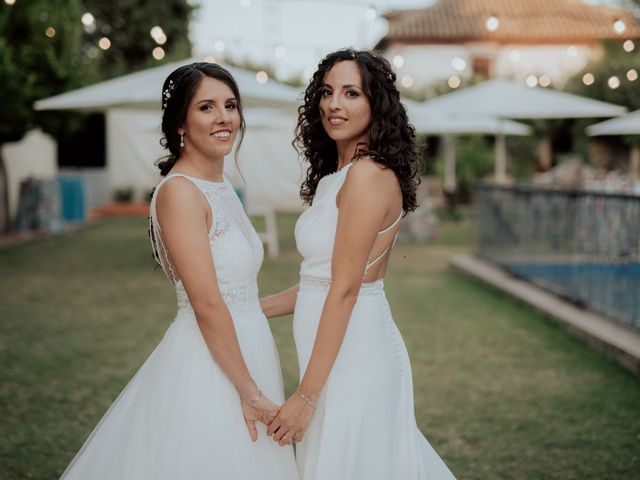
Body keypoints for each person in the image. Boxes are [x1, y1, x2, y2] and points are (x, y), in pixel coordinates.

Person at [59, 62, 298, 480]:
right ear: (181, 124)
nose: (224, 117)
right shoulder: (180, 193)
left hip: (246, 347)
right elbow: (206, 303)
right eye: (207, 107)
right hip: (210, 363)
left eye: (230, 105)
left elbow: (235, 293)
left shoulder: (222, 187)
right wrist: (249, 392)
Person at [260, 50, 457, 479]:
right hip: (329, 351)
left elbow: (345, 289)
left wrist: (305, 396)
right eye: (328, 92)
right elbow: (317, 283)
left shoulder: (368, 176)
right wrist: (247, 309)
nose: (334, 104)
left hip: (356, 354)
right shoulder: (338, 175)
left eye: (351, 93)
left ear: (376, 105)